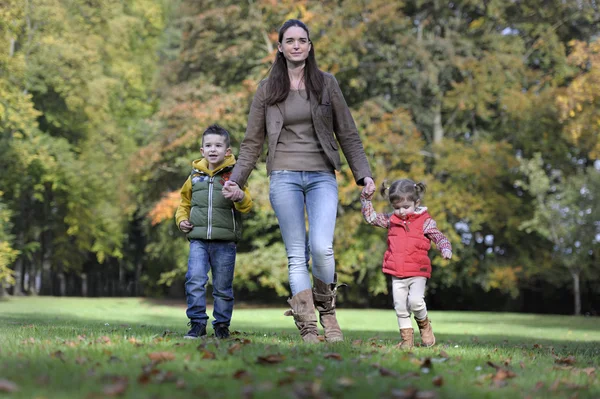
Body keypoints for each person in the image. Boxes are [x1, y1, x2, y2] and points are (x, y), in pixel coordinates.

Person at [222, 19, 376, 343]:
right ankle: (306, 324)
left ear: (309, 46)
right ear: (280, 48)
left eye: (301, 40)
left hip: (322, 174)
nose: (295, 45)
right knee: (296, 254)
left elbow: (347, 132)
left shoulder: (326, 83)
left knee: (322, 248)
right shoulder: (267, 89)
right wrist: (237, 179)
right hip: (284, 175)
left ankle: (328, 311)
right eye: (289, 40)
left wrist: (363, 174)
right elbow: (252, 142)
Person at [175, 124, 253, 339]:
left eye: (218, 145)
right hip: (198, 240)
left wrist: (238, 196)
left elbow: (246, 205)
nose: (212, 149)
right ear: (202, 150)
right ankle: (197, 323)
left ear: (227, 151)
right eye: (208, 145)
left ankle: (221, 326)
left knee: (222, 287)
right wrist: (181, 220)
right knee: (195, 280)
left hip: (225, 243)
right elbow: (184, 203)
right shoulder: (194, 177)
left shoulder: (234, 176)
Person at [361, 179, 452, 349]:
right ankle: (407, 341)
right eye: (396, 208)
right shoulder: (391, 220)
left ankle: (425, 326)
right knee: (400, 307)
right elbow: (371, 218)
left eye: (406, 207)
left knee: (416, 301)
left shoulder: (425, 222)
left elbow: (439, 236)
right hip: (397, 272)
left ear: (416, 203)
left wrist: (445, 248)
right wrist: (366, 199)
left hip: (418, 270)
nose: (401, 211)